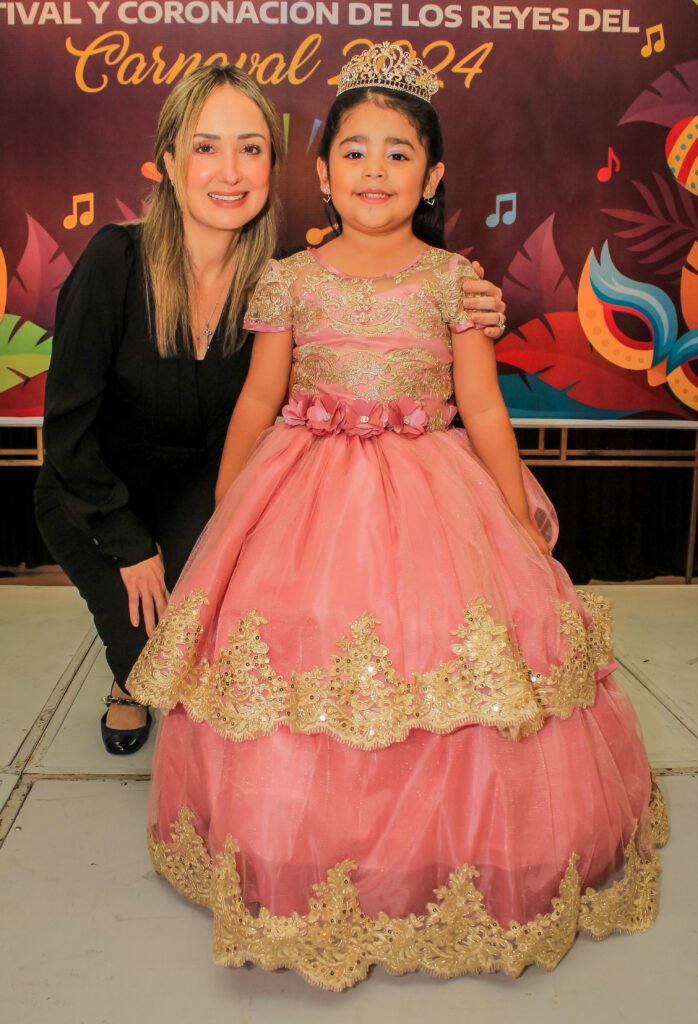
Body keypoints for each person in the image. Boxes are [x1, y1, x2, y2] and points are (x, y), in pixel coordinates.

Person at [128, 44, 666, 989]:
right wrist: (232, 508)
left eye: (398, 153)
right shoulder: (291, 278)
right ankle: (306, 841)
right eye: (355, 152)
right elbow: (258, 399)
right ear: (323, 170)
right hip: (306, 494)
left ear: (434, 175)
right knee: (304, 659)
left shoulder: (454, 281)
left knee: (443, 656)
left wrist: (515, 513)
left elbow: (483, 408)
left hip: (431, 494)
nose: (374, 171)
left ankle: (438, 852)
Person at [34, 63, 506, 757]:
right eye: (206, 147)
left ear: (273, 166)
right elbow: (68, 431)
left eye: (250, 148)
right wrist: (130, 546)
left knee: (223, 645)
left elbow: (369, 302)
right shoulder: (116, 259)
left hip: (202, 489)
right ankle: (124, 677)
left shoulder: (284, 276)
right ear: (169, 161)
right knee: (149, 655)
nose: (230, 171)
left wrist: (475, 304)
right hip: (98, 492)